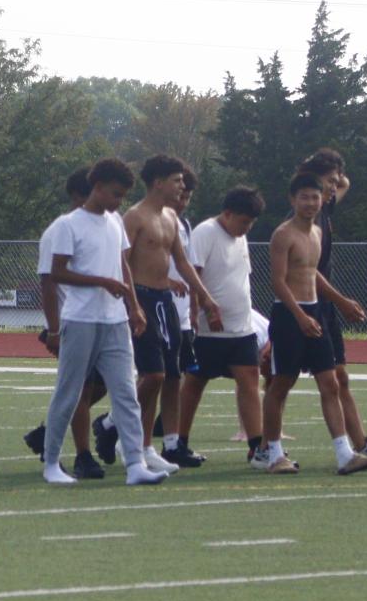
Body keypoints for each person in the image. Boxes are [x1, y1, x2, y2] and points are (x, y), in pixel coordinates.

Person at [41, 157, 170, 487]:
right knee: (69, 393)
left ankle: (135, 464)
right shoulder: (69, 225)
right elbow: (57, 273)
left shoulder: (115, 222)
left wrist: (133, 305)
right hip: (81, 319)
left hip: (115, 321)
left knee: (126, 393)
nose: (118, 202)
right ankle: (53, 463)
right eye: (114, 194)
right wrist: (102, 282)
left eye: (123, 196)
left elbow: (122, 263)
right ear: (96, 188)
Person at [266, 172, 367, 475]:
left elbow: (313, 273)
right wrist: (299, 317)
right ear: (293, 199)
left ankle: (345, 454)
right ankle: (274, 455)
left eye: (315, 197)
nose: (311, 203)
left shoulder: (316, 232)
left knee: (330, 383)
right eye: (304, 197)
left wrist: (340, 301)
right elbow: (277, 281)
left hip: (315, 313)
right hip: (290, 316)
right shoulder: (283, 234)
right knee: (280, 386)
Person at [179, 187, 291, 473]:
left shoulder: (240, 238)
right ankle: (177, 443)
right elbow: (194, 276)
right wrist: (202, 311)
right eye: (243, 222)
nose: (246, 228)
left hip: (241, 328)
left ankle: (257, 447)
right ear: (227, 214)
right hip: (209, 329)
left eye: (250, 223)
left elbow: (240, 280)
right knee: (194, 382)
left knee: (249, 380)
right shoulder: (205, 233)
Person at [122, 155, 222, 476]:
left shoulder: (171, 218)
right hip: (143, 299)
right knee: (153, 375)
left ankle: (145, 447)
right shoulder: (134, 216)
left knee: (166, 375)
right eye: (177, 180)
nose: (182, 185)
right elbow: (121, 262)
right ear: (157, 182)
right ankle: (117, 425)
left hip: (165, 301)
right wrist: (132, 303)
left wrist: (204, 298)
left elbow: (181, 261)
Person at [299, 149, 367, 458]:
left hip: (323, 306)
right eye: (328, 181)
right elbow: (309, 272)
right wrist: (342, 300)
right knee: (280, 381)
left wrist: (332, 175)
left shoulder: (325, 207)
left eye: (335, 182)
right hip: (304, 306)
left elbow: (345, 182)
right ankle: (264, 446)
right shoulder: (305, 220)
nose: (334, 187)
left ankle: (360, 443)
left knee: (339, 377)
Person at [25, 168, 106, 478]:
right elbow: (48, 282)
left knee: (102, 384)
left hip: (99, 319)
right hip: (71, 321)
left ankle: (49, 431)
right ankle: (83, 455)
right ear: (78, 196)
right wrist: (54, 329)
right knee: (80, 389)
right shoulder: (60, 230)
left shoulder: (101, 226)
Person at [162, 166, 204, 465]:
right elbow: (136, 265)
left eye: (187, 195)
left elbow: (186, 266)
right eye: (179, 191)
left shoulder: (184, 225)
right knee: (152, 378)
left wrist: (197, 303)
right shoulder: (148, 220)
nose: (182, 200)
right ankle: (112, 425)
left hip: (181, 315)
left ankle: (171, 443)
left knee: (174, 378)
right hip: (156, 309)